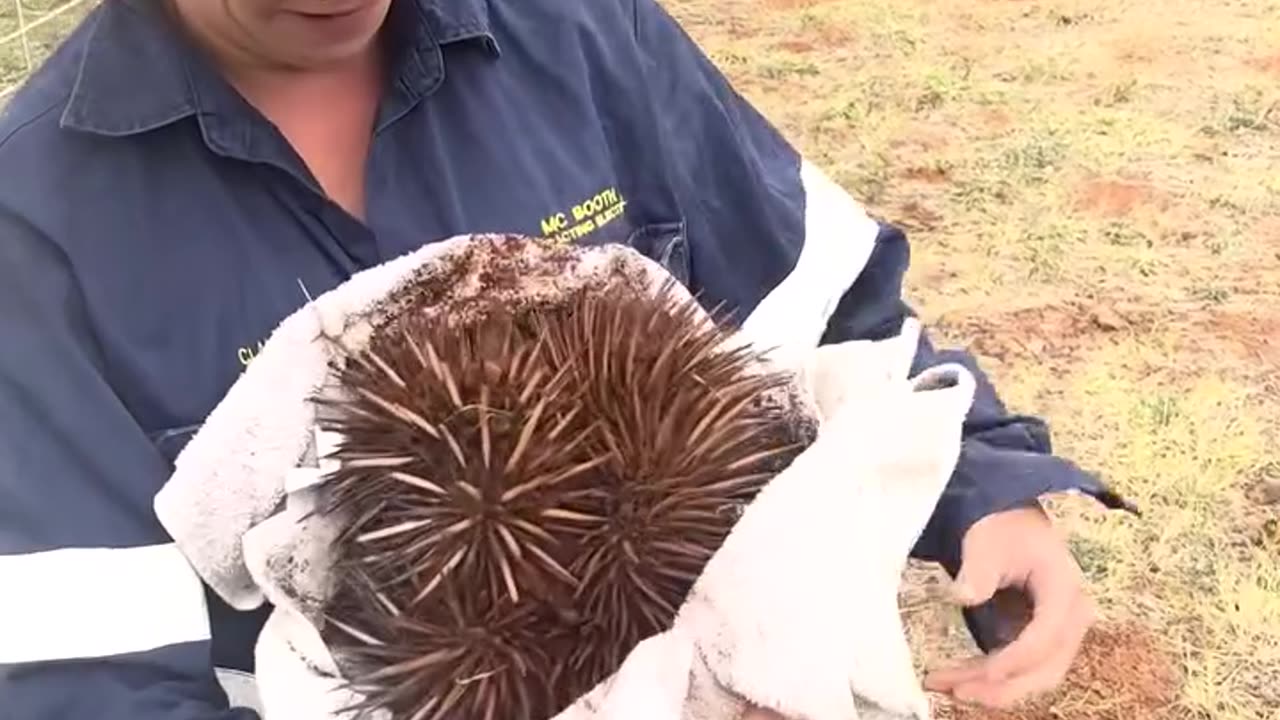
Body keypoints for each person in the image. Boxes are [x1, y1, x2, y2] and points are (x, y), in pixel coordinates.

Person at [0, 0, 1135, 717]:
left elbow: (823, 296)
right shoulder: (32, 223)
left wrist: (982, 485)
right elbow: (89, 677)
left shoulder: (589, 38)